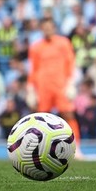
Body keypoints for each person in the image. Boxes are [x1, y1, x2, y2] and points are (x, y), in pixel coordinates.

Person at [27, 17, 81, 157]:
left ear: (54, 28)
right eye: (44, 27)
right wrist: (31, 89)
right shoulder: (36, 47)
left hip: (61, 86)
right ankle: (41, 151)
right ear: (41, 29)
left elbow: (70, 63)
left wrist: (71, 83)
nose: (47, 30)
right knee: (41, 120)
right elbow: (33, 70)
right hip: (43, 87)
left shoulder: (63, 43)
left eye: (50, 27)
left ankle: (76, 148)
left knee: (68, 114)